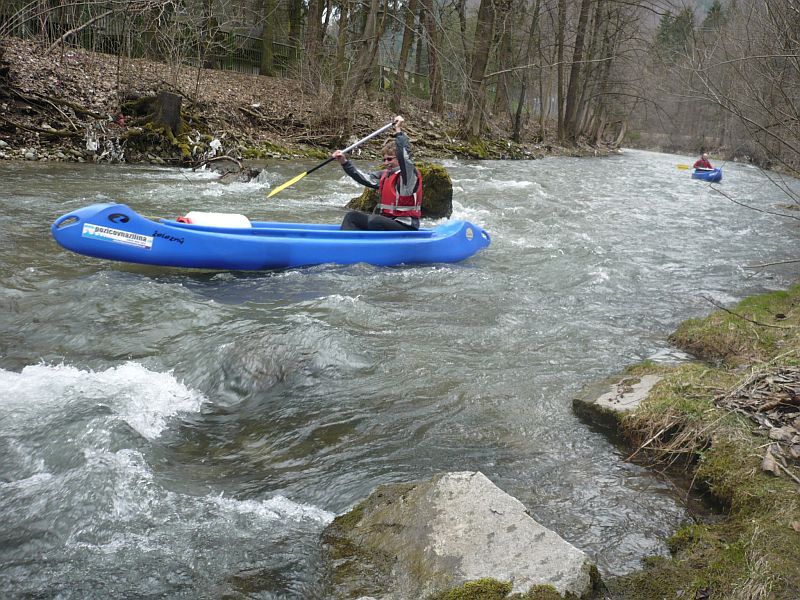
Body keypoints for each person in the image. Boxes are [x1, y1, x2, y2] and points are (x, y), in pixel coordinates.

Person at [335, 115, 422, 231]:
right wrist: (344, 161)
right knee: (352, 217)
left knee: (375, 220)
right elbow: (363, 178)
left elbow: (405, 156)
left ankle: (370, 246)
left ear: (399, 159)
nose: (386, 163)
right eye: (384, 159)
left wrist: (398, 131)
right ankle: (345, 244)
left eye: (390, 159)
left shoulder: (409, 175)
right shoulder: (385, 175)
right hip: (386, 223)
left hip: (406, 226)